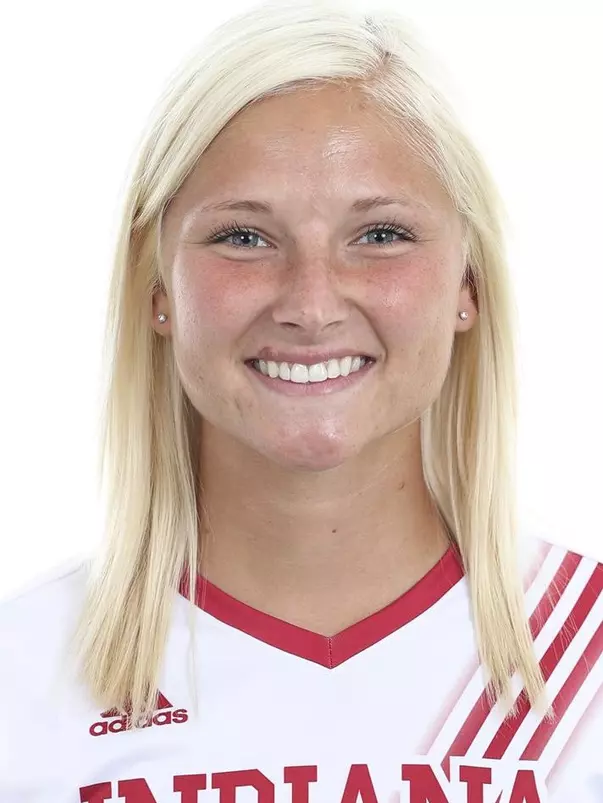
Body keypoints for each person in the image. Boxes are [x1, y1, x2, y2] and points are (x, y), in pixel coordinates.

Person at [1, 1, 601, 800]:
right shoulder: (23, 676)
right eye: (243, 237)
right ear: (158, 288)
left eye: (380, 234)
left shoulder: (583, 660)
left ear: (467, 283)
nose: (311, 305)